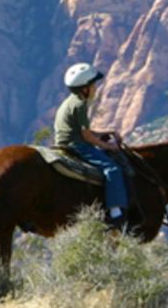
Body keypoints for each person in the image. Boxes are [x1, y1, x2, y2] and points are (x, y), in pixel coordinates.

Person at [54, 63, 128, 229]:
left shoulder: (71, 102)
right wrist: (109, 147)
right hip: (76, 145)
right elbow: (86, 136)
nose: (96, 88)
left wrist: (105, 133)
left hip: (69, 141)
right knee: (112, 168)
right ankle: (115, 212)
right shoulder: (80, 105)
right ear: (85, 89)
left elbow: (85, 131)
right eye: (93, 85)